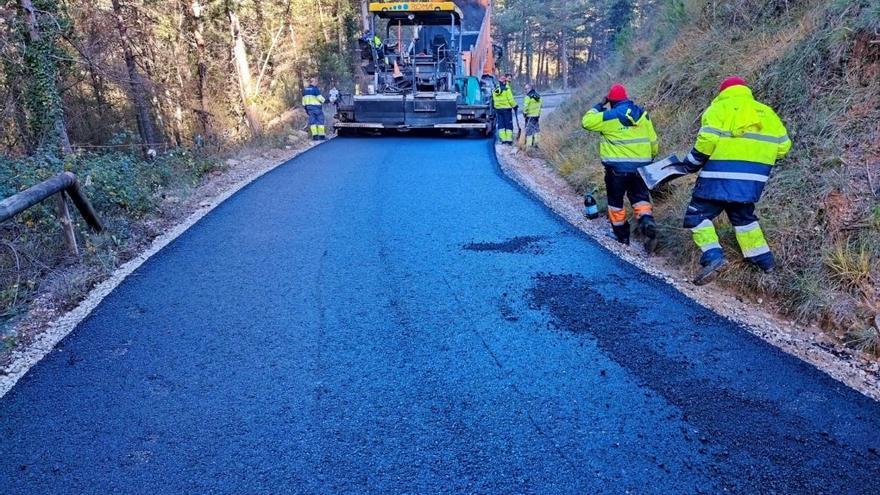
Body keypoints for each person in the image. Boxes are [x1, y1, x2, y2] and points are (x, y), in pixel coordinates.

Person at [680, 76, 791, 285]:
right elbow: (784, 147)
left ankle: (714, 257)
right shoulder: (768, 113)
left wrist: (690, 163)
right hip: (751, 182)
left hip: (718, 178)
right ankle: (765, 263)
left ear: (723, 92)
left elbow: (707, 141)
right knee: (744, 218)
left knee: (696, 216)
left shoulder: (718, 109)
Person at [581, 84, 659, 251]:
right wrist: (649, 159)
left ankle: (622, 235)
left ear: (611, 101)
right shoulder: (642, 115)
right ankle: (647, 221)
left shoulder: (610, 116)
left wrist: (599, 104)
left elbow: (586, 122)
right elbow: (653, 142)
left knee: (616, 202)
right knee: (640, 198)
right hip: (641, 167)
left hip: (617, 169)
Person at [492, 73, 517, 145]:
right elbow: (510, 99)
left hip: (498, 110)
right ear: (504, 81)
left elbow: (493, 99)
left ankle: (503, 139)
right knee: (508, 124)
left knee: (501, 124)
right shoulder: (506, 89)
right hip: (506, 109)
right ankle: (509, 140)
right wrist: (515, 106)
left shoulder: (495, 89)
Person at [523, 84, 542, 148]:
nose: (525, 90)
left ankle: (529, 145)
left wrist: (524, 113)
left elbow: (525, 106)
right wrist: (538, 114)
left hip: (529, 116)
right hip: (536, 116)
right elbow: (540, 106)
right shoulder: (538, 96)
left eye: (526, 89)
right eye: (525, 89)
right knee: (536, 129)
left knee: (529, 131)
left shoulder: (528, 97)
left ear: (530, 88)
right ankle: (536, 143)